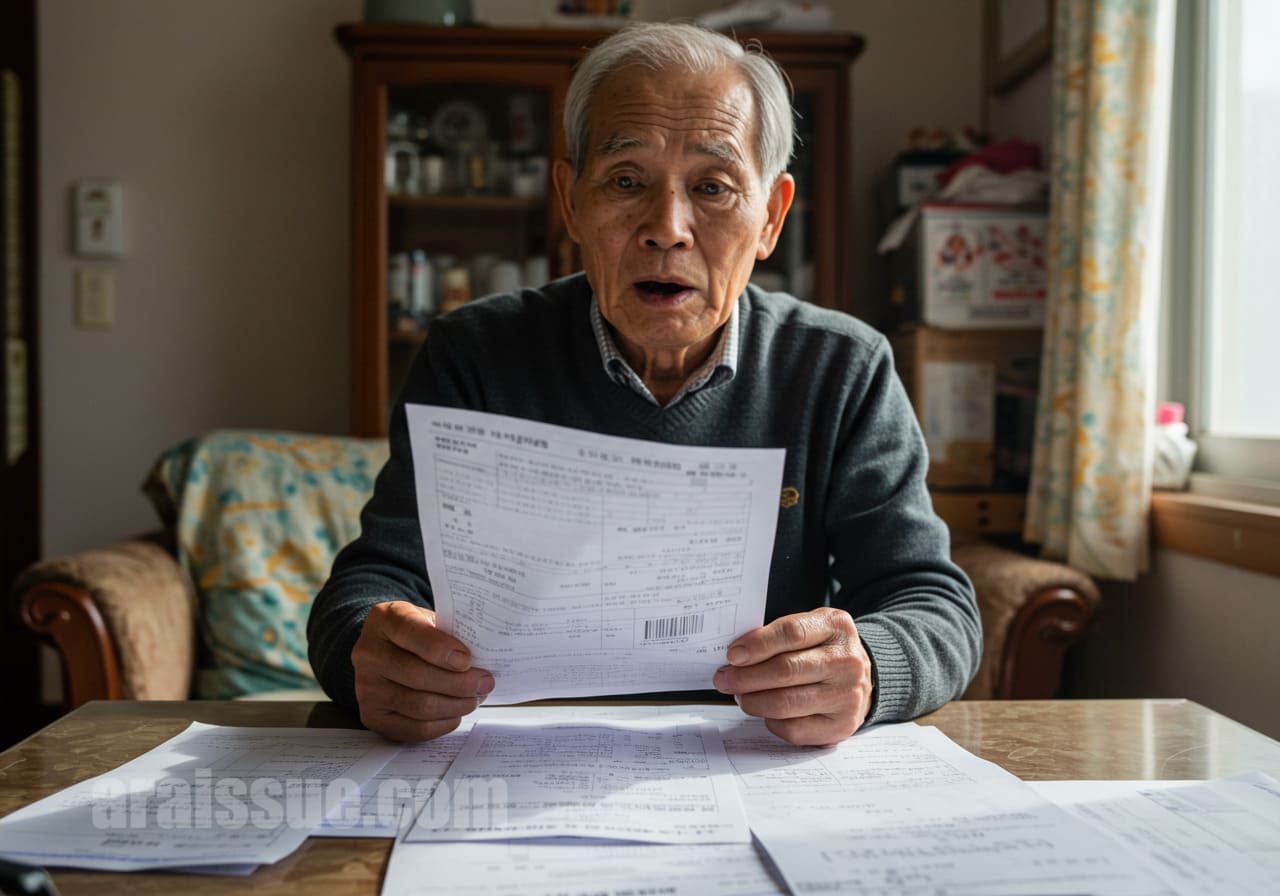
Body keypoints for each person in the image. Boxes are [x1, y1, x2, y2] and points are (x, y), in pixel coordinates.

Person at [308, 21, 980, 747]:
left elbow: (932, 603)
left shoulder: (840, 370)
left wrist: (871, 667)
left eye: (712, 186)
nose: (668, 228)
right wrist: (368, 658)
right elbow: (371, 585)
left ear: (772, 218)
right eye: (626, 181)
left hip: (751, 757)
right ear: (570, 201)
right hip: (513, 752)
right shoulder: (476, 355)